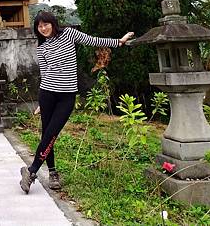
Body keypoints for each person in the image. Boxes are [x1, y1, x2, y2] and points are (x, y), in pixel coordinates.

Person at [20, 11, 133, 194]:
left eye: (45, 24)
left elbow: (93, 40)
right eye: (39, 26)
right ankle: (52, 172)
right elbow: (45, 73)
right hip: (47, 93)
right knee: (48, 134)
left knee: (53, 132)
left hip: (67, 96)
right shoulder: (41, 48)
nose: (43, 28)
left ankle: (31, 171)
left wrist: (118, 42)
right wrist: (41, 103)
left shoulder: (68, 34)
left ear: (53, 23)